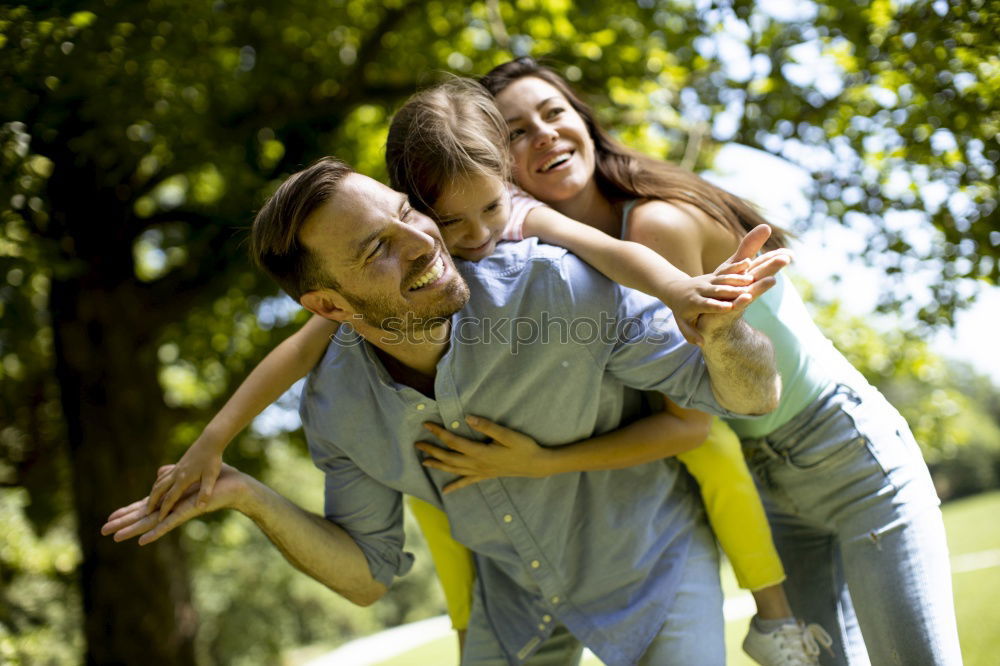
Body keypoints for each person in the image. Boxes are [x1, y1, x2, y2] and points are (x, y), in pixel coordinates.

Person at [140, 79, 820, 664]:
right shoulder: (339, 401)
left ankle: (776, 613)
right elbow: (368, 576)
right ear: (330, 304)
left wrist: (706, 316)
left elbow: (749, 395)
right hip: (516, 599)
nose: (434, 242)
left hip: (649, 563)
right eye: (380, 245)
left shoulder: (551, 279)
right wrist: (238, 483)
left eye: (406, 217)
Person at [466, 56, 964, 666]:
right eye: (517, 131)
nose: (544, 133)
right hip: (769, 487)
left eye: (554, 112)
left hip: (847, 454)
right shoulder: (558, 265)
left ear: (584, 122)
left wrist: (544, 463)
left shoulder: (650, 228)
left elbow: (688, 423)